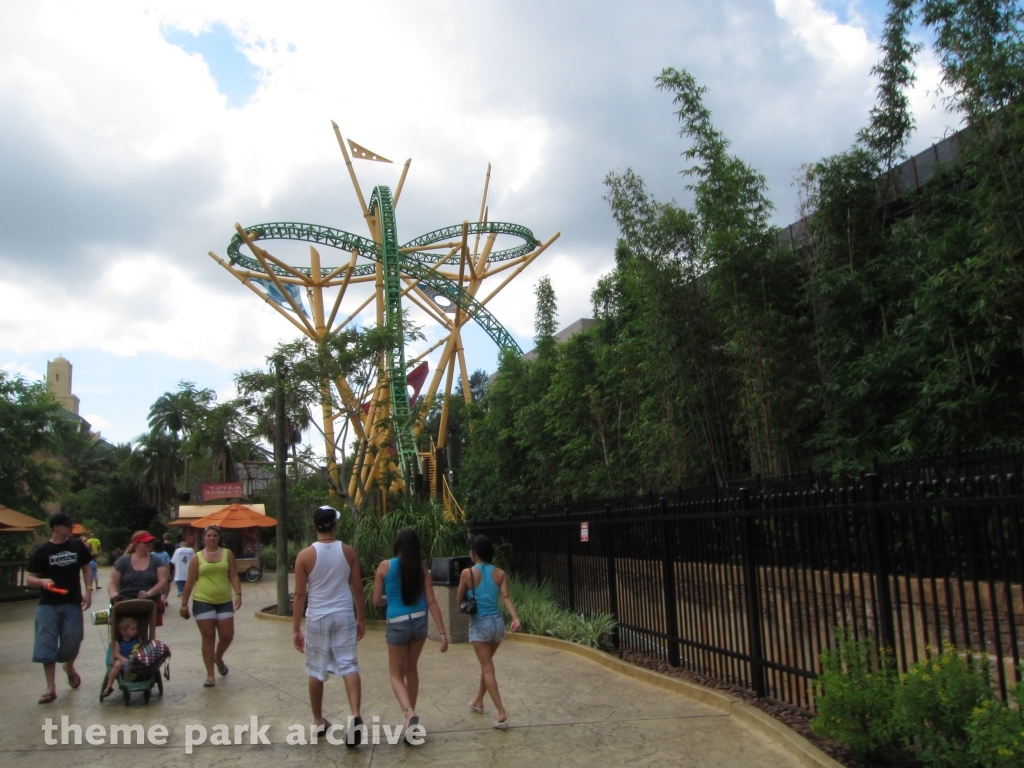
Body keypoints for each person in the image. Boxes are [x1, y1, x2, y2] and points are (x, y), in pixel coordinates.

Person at [292, 506, 366, 741]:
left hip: (318, 615)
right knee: (349, 665)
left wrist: (295, 628)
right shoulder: (348, 552)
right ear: (335, 526)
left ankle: (318, 720)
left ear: (314, 526)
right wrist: (361, 618)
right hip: (343, 613)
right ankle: (355, 714)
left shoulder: (304, 556)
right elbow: (357, 588)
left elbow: (300, 595)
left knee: (316, 669)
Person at [372, 527, 448, 738]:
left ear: (397, 545)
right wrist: (442, 632)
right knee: (411, 670)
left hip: (397, 622)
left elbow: (376, 600)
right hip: (419, 622)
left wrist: (390, 599)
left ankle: (408, 712)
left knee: (395, 674)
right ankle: (410, 722)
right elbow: (431, 601)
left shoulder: (384, 567)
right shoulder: (422, 569)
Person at [25, 512, 93, 704]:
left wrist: (88, 590)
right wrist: (41, 582)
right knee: (46, 643)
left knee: (73, 639)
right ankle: (50, 687)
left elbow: (87, 567)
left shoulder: (77, 546)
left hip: (72, 601)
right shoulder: (42, 551)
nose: (71, 528)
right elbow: (30, 578)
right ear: (56, 527)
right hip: (48, 604)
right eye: (67, 526)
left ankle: (69, 667)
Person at [456, 534, 521, 729]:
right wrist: (515, 618)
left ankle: (501, 713)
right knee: (487, 666)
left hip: (480, 624)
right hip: (497, 624)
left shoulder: (467, 573)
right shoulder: (500, 573)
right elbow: (507, 597)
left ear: (474, 553)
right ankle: (478, 701)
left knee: (487, 668)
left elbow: (458, 600)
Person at [179, 525, 242, 687]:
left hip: (224, 601)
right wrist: (184, 604)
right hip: (203, 600)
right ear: (204, 538)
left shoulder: (228, 554)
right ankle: (210, 675)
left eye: (215, 535)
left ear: (219, 538)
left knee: (227, 635)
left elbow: (233, 574)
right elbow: (190, 582)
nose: (212, 538)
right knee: (208, 637)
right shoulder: (197, 558)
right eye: (209, 536)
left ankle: (218, 657)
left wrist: (238, 593)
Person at [108, 531, 169, 628]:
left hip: (149, 602)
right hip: (125, 601)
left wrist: (149, 593)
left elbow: (163, 581)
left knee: (142, 632)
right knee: (122, 631)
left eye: (150, 541)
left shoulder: (157, 561)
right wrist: (113, 593)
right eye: (145, 542)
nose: (149, 544)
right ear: (136, 544)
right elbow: (113, 583)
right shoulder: (123, 561)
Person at [101, 616, 140, 699]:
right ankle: (109, 686)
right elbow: (116, 654)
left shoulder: (137, 639)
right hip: (123, 661)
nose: (135, 631)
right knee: (117, 664)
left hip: (135, 660)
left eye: (135, 629)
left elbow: (142, 648)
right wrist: (123, 659)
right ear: (124, 632)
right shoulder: (119, 641)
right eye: (132, 629)